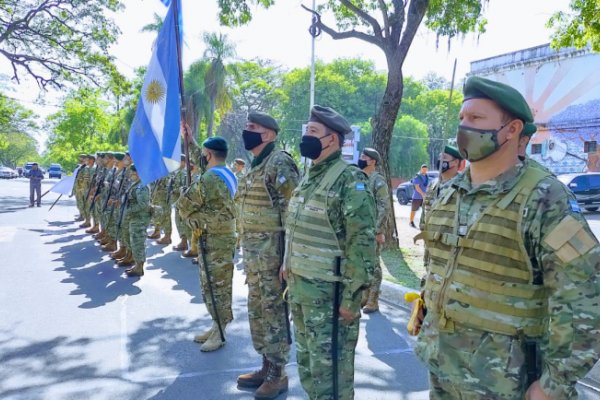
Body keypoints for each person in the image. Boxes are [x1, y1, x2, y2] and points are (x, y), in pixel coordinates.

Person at [415, 76, 600, 399]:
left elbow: (584, 296)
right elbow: (436, 266)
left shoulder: (544, 196)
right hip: (443, 366)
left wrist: (554, 383)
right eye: (461, 119)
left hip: (507, 381)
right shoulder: (446, 192)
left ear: (512, 130)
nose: (464, 128)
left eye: (476, 119)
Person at [282, 105, 376, 400]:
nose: (305, 137)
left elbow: (362, 244)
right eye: (305, 131)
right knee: (309, 368)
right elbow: (296, 229)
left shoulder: (350, 180)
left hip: (331, 297)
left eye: (313, 132)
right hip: (301, 290)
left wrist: (351, 299)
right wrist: (287, 265)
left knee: (332, 376)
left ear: (332, 139)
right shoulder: (309, 178)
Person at [236, 111, 300, 399]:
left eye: (253, 127)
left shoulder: (280, 162)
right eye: (247, 126)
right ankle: (266, 365)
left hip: (273, 256)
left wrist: (287, 259)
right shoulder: (255, 166)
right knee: (258, 312)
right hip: (254, 256)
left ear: (270, 134)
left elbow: (292, 213)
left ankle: (278, 374)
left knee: (274, 313)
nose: (247, 131)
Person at [177, 135, 238, 352]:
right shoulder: (227, 172)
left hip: (213, 238)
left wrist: (195, 219)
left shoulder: (210, 179)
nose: (200, 158)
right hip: (221, 237)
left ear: (209, 155)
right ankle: (216, 325)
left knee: (215, 287)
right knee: (213, 285)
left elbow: (182, 205)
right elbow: (200, 156)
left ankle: (220, 332)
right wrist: (190, 139)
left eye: (203, 155)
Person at [358, 147, 391, 314]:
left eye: (364, 156)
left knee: (374, 264)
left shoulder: (378, 181)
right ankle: (364, 296)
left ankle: (373, 299)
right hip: (359, 229)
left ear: (372, 161)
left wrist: (378, 230)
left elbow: (384, 206)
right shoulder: (359, 178)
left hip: (372, 229)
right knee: (362, 263)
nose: (361, 158)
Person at [419, 145, 465, 229]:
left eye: (444, 157)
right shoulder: (432, 184)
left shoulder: (463, 186)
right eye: (439, 157)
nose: (440, 160)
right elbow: (425, 211)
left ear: (455, 162)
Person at [123, 164, 151, 277]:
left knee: (138, 242)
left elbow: (143, 205)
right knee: (134, 242)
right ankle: (136, 264)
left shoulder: (142, 186)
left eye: (133, 173)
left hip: (140, 219)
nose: (131, 175)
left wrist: (129, 210)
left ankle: (139, 268)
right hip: (135, 218)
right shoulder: (136, 185)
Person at [73, 153, 89, 223]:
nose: (80, 159)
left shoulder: (86, 167)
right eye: (80, 158)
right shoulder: (79, 167)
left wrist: (82, 187)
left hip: (82, 188)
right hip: (77, 188)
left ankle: (84, 216)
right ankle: (81, 214)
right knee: (79, 202)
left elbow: (86, 179)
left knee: (83, 203)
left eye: (82, 158)